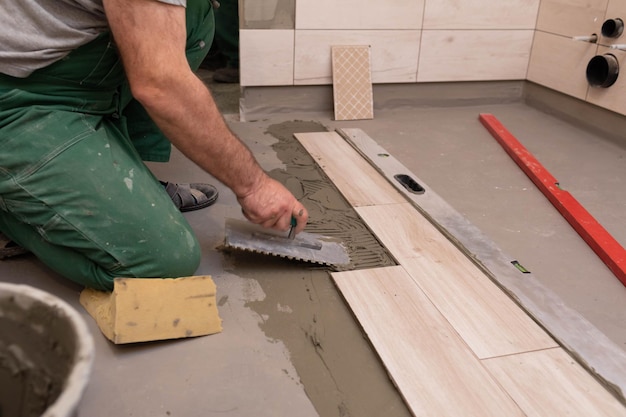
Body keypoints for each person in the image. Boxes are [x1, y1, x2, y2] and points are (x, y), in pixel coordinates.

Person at [0, 0, 308, 291]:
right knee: (161, 261)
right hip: (17, 98)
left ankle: (122, 174)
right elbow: (160, 83)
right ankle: (13, 207)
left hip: (61, 75)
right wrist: (254, 186)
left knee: (194, 15)